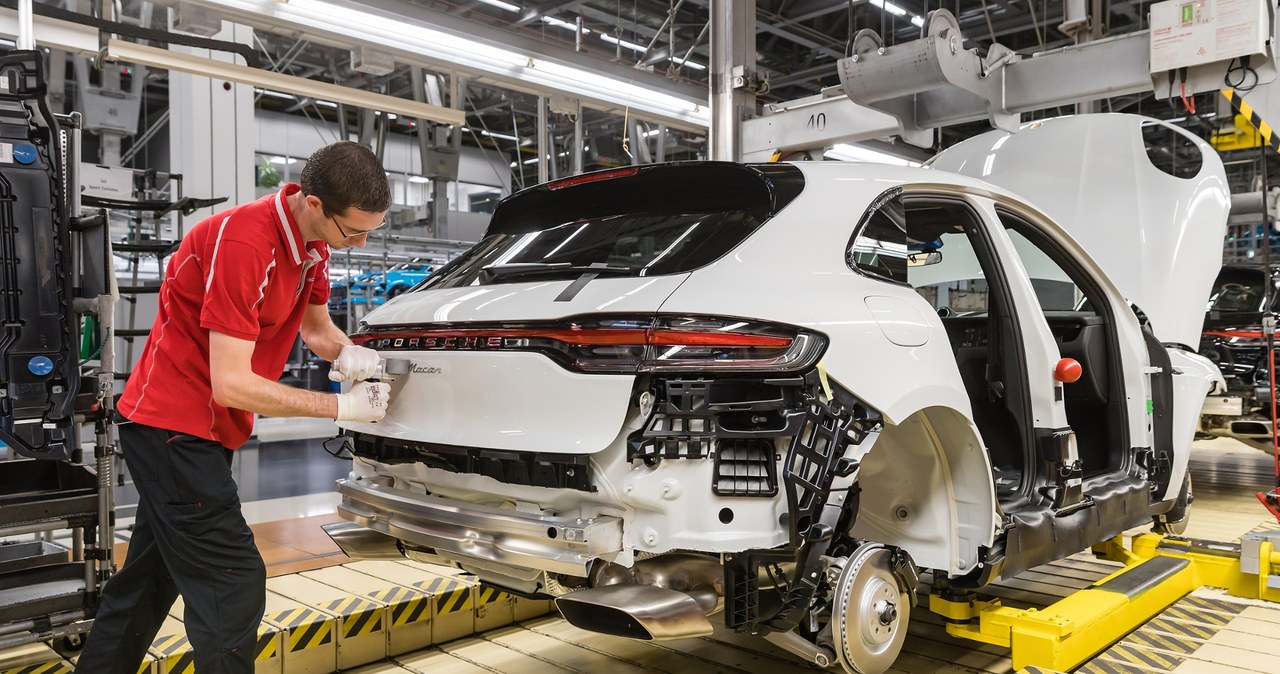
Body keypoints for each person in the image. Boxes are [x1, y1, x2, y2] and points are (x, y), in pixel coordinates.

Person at [76, 141, 394, 674]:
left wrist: (354, 355)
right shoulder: (246, 241)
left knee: (150, 581)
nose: (361, 241)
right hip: (172, 426)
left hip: (202, 432)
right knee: (233, 581)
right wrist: (340, 407)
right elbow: (231, 384)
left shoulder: (315, 246)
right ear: (313, 204)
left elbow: (317, 330)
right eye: (354, 230)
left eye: (372, 231)